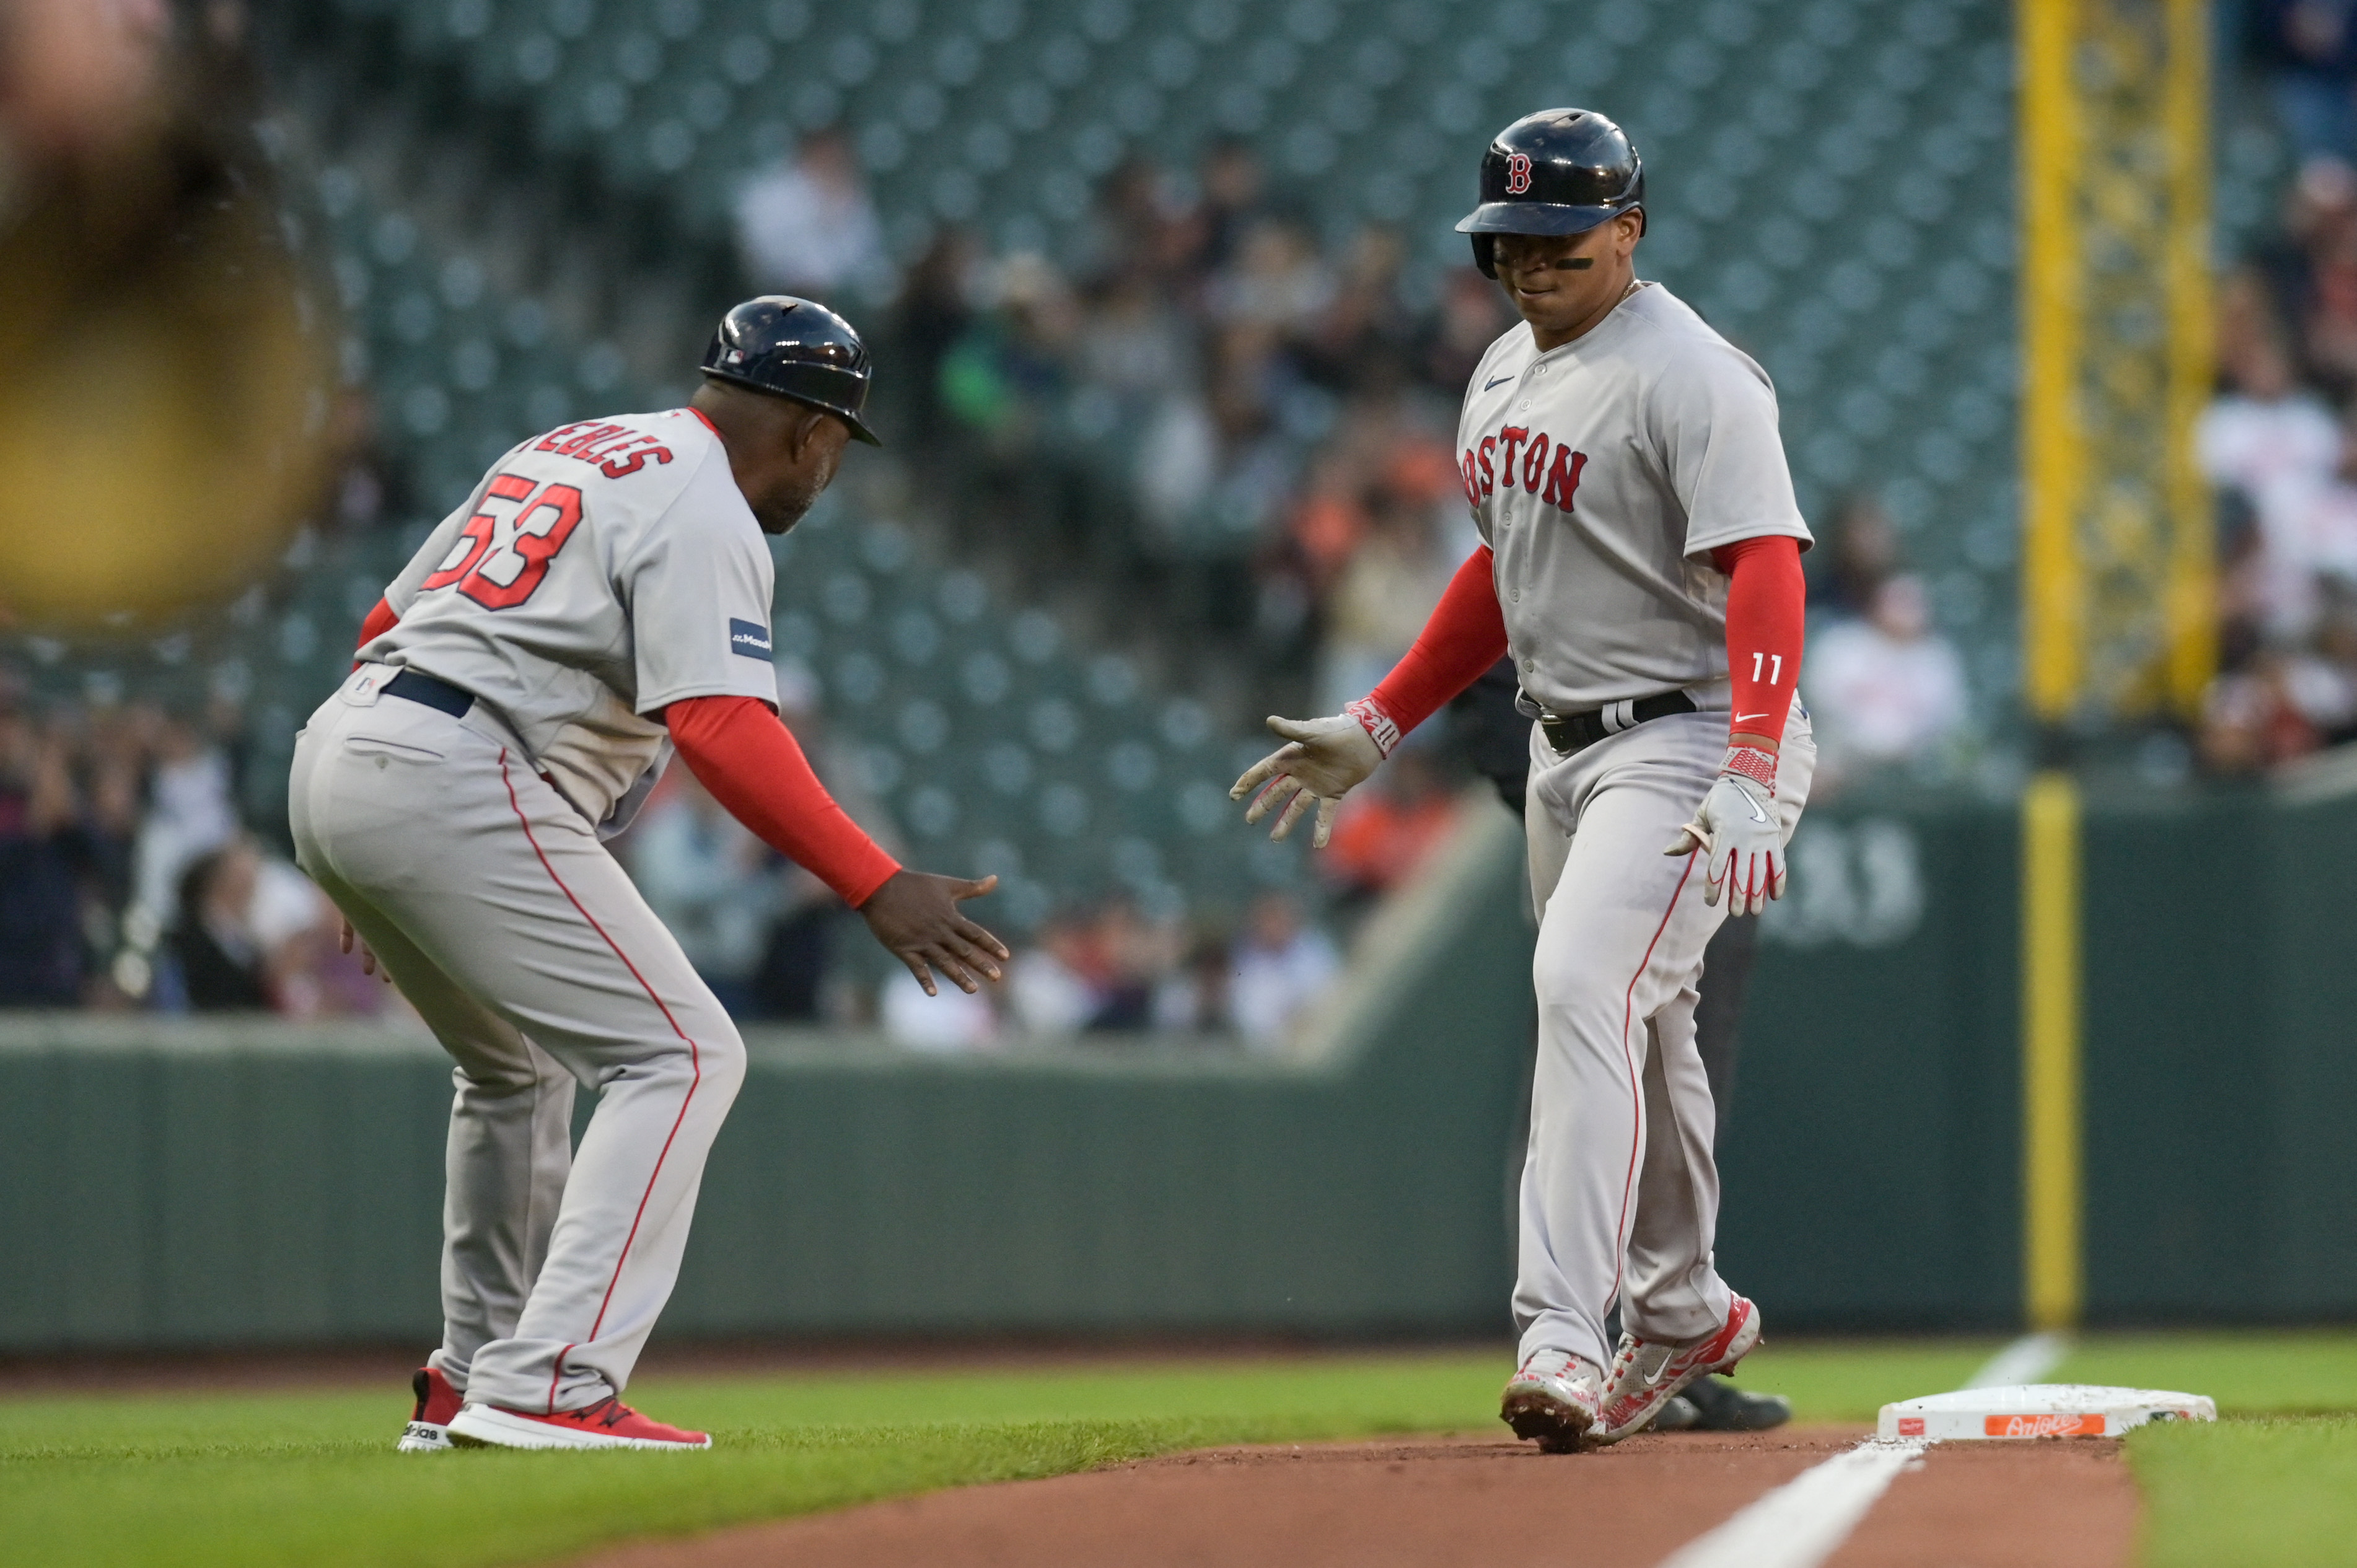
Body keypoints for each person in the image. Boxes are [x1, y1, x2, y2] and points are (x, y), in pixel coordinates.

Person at [291, 296, 1007, 1453]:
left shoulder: (568, 448)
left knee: (516, 1070)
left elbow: (388, 614)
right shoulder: (705, 499)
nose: (826, 474)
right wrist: (876, 880)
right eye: (834, 445)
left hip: (349, 747)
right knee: (683, 1053)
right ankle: (553, 1381)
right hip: (458, 766)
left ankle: (468, 1381)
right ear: (810, 430)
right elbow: (721, 722)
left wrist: (367, 851)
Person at [1232, 110, 1814, 1452]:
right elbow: (1505, 569)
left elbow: (1770, 565)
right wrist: (1382, 721)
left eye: (1557, 236)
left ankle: (1563, 1331)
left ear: (1626, 229)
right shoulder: (1501, 369)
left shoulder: (1694, 375)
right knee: (1644, 1028)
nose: (1529, 262)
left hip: (1690, 731)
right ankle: (1684, 1307)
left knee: (1581, 989)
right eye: (1508, 239)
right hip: (1565, 742)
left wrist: (1748, 762)